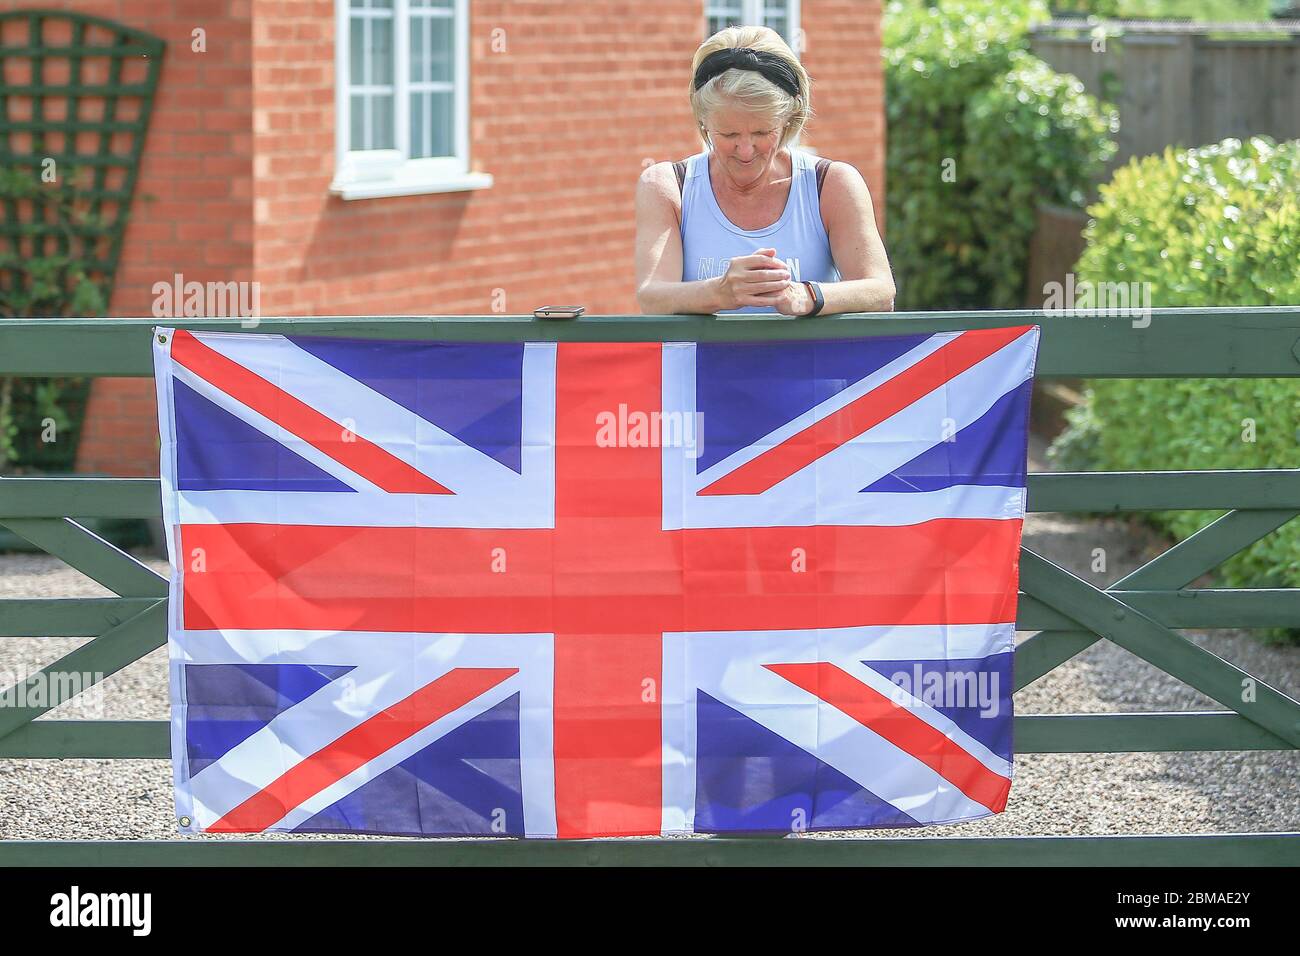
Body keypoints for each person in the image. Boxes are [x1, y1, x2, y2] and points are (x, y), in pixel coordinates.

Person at [635, 25, 896, 317]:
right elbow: (651, 296)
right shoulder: (667, 185)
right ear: (703, 121)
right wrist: (720, 292)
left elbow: (880, 291)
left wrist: (807, 295)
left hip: (809, 363)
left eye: (762, 132)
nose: (745, 151)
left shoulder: (832, 184)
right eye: (729, 134)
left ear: (788, 121)